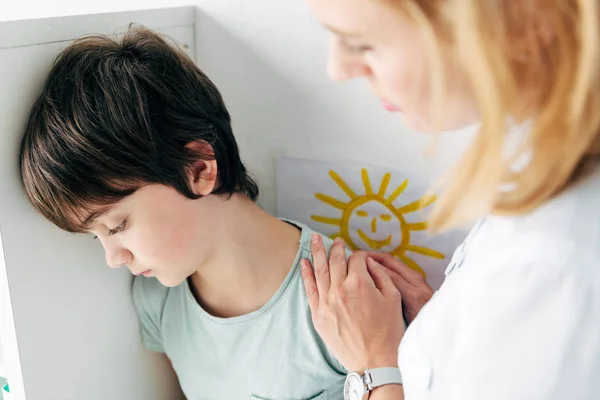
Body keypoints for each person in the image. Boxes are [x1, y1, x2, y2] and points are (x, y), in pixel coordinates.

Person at [19, 27, 350, 399]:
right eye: (96, 236)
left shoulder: (345, 304)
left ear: (198, 169)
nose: (113, 259)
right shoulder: (158, 303)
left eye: (117, 225)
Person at [300, 1, 600, 399]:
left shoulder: (550, 269)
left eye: (361, 44)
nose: (337, 70)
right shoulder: (541, 178)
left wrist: (375, 365)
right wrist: (444, 334)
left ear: (524, 25)